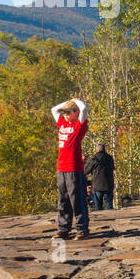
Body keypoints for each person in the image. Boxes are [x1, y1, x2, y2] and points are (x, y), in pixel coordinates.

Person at [50, 98, 89, 240]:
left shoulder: (79, 126)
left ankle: (82, 228)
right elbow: (53, 110)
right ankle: (63, 229)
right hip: (61, 167)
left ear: (76, 113)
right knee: (63, 199)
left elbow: (84, 109)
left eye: (69, 112)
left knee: (76, 199)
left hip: (74, 167)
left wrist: (76, 101)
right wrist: (67, 102)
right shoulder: (62, 124)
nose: (65, 115)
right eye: (64, 112)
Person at [84, 143, 115, 210]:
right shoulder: (110, 158)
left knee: (98, 206)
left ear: (96, 150)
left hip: (97, 185)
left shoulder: (94, 159)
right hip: (108, 185)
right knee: (109, 205)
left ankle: (99, 219)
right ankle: (110, 218)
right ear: (104, 150)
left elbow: (86, 171)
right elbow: (112, 168)